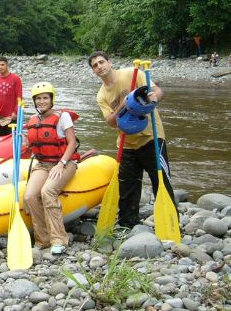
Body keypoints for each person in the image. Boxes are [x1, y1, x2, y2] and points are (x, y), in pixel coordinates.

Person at [88, 51, 177, 229]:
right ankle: (128, 225)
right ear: (93, 71)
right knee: (128, 187)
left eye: (101, 62)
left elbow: (157, 90)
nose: (99, 67)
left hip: (151, 137)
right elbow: (111, 122)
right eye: (95, 66)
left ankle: (170, 224)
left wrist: (155, 97)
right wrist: (124, 104)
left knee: (161, 182)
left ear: (109, 62)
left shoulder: (131, 74)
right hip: (126, 143)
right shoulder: (102, 95)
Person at [23, 82, 79, 255]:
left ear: (51, 99)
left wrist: (61, 163)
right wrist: (22, 139)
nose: (42, 101)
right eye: (38, 99)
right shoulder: (33, 120)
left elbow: (72, 143)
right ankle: (43, 239)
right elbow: (32, 145)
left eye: (45, 98)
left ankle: (59, 239)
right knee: (30, 196)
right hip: (42, 164)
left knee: (48, 191)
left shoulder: (63, 117)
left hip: (65, 163)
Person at [0, 56, 23, 137]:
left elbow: (19, 97)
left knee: (11, 142)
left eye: (2, 65)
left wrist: (15, 112)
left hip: (12, 117)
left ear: (7, 65)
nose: (0, 67)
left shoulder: (16, 79)